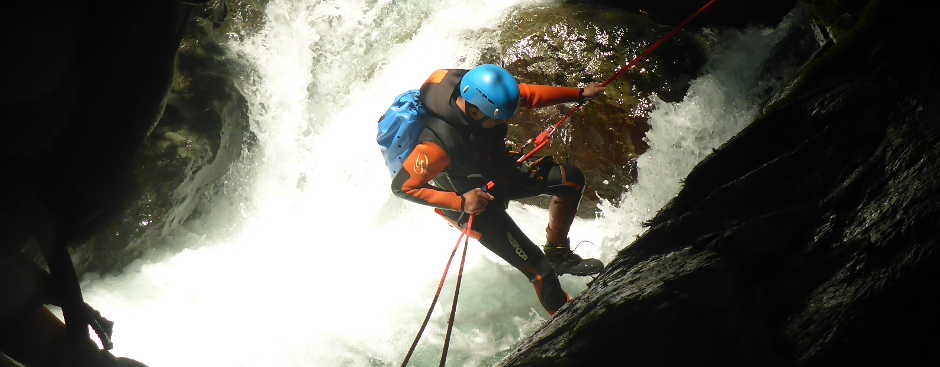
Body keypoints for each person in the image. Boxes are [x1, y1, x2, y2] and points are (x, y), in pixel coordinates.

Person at [390, 64, 605, 315]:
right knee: (540, 271)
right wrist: (461, 202)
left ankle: (558, 253)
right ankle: (571, 326)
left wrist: (579, 93)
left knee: (570, 179)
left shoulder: (476, 91)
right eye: (499, 118)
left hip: (495, 171)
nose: (505, 120)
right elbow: (403, 187)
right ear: (474, 111)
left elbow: (525, 94)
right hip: (470, 204)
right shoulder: (437, 143)